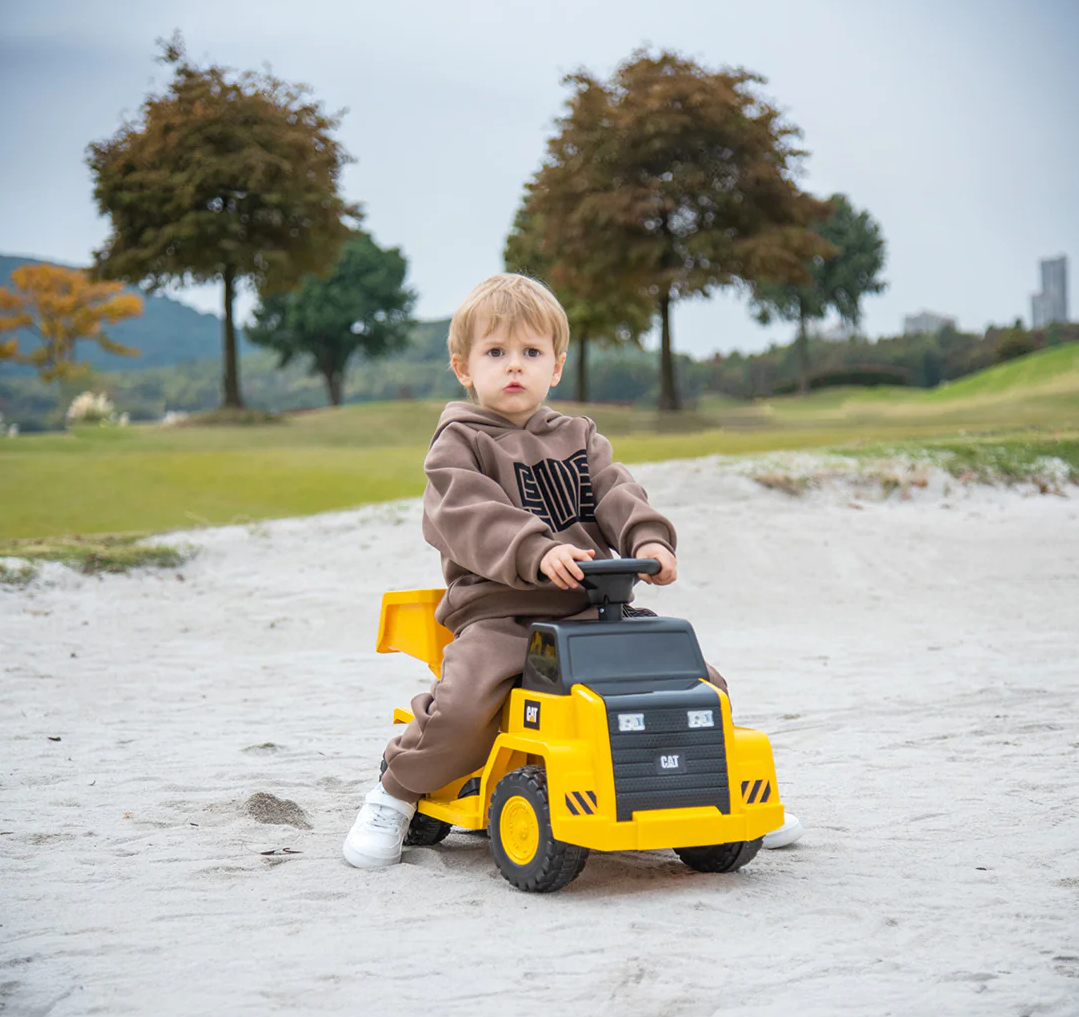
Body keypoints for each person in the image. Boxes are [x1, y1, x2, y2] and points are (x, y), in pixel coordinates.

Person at [343, 273, 803, 868]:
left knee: (700, 682)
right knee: (464, 708)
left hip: (594, 610)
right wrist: (536, 549)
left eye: (531, 353)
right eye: (496, 353)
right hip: (503, 615)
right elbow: (467, 514)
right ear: (464, 366)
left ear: (556, 366)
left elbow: (618, 493)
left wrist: (649, 540)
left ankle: (719, 791)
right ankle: (396, 793)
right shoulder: (459, 444)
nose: (515, 366)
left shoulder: (579, 437)